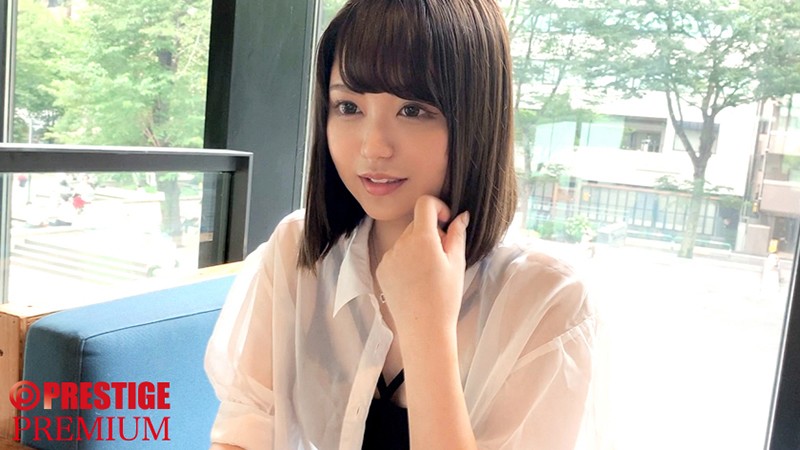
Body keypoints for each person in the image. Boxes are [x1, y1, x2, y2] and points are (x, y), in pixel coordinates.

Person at [205, 0, 597, 449]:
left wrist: (426, 327)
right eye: (348, 106)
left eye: (412, 110)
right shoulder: (300, 249)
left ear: (478, 119)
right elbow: (245, 431)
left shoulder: (547, 300)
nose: (373, 147)